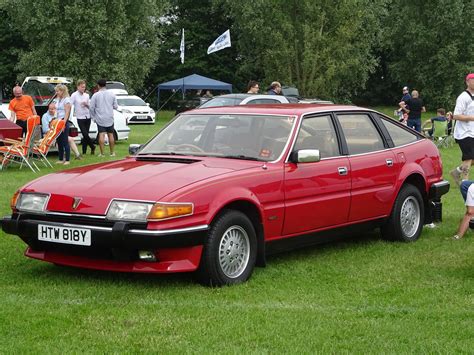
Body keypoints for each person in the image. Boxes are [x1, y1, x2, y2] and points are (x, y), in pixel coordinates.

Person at [450, 73, 474, 186]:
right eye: (472, 80)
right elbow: (456, 115)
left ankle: (456, 172)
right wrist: (471, 118)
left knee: (472, 159)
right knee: (468, 157)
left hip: (472, 132)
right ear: (467, 82)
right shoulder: (463, 97)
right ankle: (466, 183)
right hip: (463, 133)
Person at [90, 78, 118, 157]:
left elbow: (91, 107)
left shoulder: (95, 95)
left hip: (100, 118)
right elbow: (116, 106)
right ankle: (112, 152)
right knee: (111, 135)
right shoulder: (112, 94)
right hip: (109, 117)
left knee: (101, 135)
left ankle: (102, 153)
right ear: (106, 85)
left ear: (98, 86)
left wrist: (93, 117)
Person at [70, 79, 95, 155]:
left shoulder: (86, 95)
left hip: (87, 116)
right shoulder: (74, 95)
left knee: (85, 134)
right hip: (80, 117)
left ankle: (84, 151)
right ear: (78, 87)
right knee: (84, 133)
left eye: (84, 87)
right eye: (82, 87)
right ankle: (92, 146)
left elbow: (90, 107)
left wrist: (86, 105)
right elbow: (70, 105)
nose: (83, 89)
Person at [55, 84, 72, 165]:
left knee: (65, 141)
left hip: (63, 121)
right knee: (59, 141)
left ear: (62, 91)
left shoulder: (67, 100)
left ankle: (67, 160)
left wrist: (63, 124)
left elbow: (67, 113)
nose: (56, 92)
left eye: (58, 91)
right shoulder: (58, 99)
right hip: (58, 121)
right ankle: (61, 158)